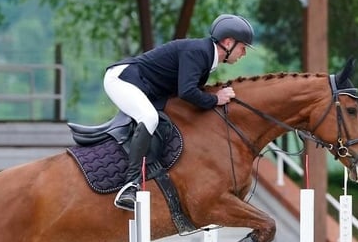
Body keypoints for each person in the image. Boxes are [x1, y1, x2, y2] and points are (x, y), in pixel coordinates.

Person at [103, 13, 255, 211]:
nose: (244, 54)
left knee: (165, 121)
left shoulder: (206, 58)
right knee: (148, 117)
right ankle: (130, 185)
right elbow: (187, 92)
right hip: (123, 79)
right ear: (228, 42)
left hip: (146, 87)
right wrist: (216, 99)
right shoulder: (198, 52)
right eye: (243, 48)